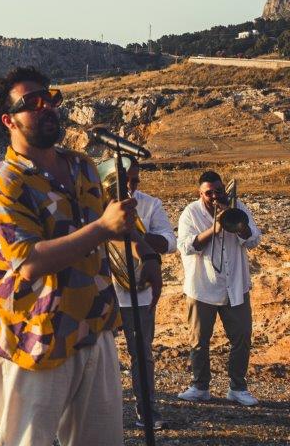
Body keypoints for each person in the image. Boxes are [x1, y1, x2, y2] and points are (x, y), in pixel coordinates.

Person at [0, 68, 135, 446]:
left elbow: (110, 227)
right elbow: (29, 260)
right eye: (31, 103)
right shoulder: (5, 183)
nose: (46, 106)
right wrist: (103, 228)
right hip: (32, 339)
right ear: (9, 120)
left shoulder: (82, 166)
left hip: (92, 327)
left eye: (50, 98)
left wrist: (139, 249)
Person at [99, 157, 175, 430]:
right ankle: (100, 415)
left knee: (142, 355)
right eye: (124, 181)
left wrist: (136, 232)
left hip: (138, 294)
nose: (130, 186)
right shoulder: (96, 206)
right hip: (103, 291)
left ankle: (147, 411)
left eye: (134, 181)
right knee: (95, 357)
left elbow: (169, 242)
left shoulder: (151, 204)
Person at [176, 170, 261, 407]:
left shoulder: (237, 206)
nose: (214, 197)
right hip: (202, 287)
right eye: (208, 193)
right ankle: (200, 387)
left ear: (225, 190)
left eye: (218, 191)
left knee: (242, 336)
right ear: (199, 193)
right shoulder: (191, 212)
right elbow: (184, 246)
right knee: (199, 340)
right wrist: (213, 229)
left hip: (235, 285)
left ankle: (237, 388)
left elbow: (254, 239)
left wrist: (237, 223)